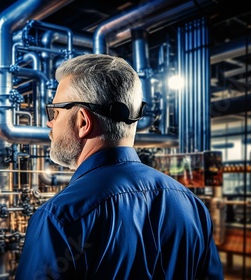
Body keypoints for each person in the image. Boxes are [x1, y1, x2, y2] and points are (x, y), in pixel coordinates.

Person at [15, 54, 223, 279]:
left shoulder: (59, 218)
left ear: (83, 121)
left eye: (55, 112)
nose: (50, 122)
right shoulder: (193, 206)